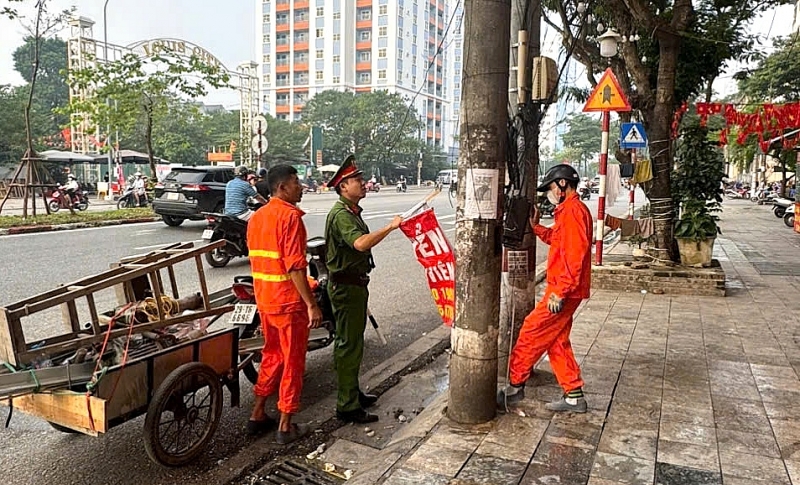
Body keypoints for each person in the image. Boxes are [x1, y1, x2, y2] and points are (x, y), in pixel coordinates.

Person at [498, 164, 593, 413]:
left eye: (551, 187)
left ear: (562, 185)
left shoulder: (573, 211)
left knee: (530, 331)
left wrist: (559, 291)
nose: (549, 193)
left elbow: (575, 255)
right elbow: (558, 240)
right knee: (556, 340)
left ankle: (515, 387)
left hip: (563, 290)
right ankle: (574, 396)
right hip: (567, 288)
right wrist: (537, 227)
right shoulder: (568, 211)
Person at [246, 164, 323, 443]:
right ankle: (285, 425)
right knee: (292, 362)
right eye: (296, 182)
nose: (301, 187)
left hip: (265, 300)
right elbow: (294, 267)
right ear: (282, 188)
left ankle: (257, 413)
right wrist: (311, 304)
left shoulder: (257, 217)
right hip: (289, 304)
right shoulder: (290, 218)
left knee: (272, 355)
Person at [325, 155, 403, 424]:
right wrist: (390, 227)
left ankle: (352, 392)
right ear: (343, 186)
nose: (363, 183)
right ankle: (347, 405)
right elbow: (360, 244)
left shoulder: (351, 212)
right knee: (348, 345)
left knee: (353, 344)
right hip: (346, 288)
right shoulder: (341, 215)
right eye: (357, 180)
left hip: (354, 285)